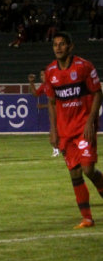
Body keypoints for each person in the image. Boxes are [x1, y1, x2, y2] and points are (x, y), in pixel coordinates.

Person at [44, 31, 103, 229]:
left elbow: (97, 93)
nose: (58, 48)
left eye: (62, 44)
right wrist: (53, 130)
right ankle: (87, 218)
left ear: (70, 47)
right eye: (55, 45)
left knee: (88, 169)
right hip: (65, 132)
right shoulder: (50, 72)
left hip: (83, 128)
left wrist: (91, 121)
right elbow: (51, 102)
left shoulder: (84, 66)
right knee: (75, 174)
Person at [28, 70, 59, 157]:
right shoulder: (44, 86)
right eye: (41, 75)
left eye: (43, 75)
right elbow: (36, 94)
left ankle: (58, 150)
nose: (42, 77)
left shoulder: (54, 85)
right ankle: (56, 150)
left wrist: (44, 106)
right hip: (53, 111)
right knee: (53, 132)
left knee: (55, 132)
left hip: (60, 111)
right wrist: (31, 83)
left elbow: (57, 101)